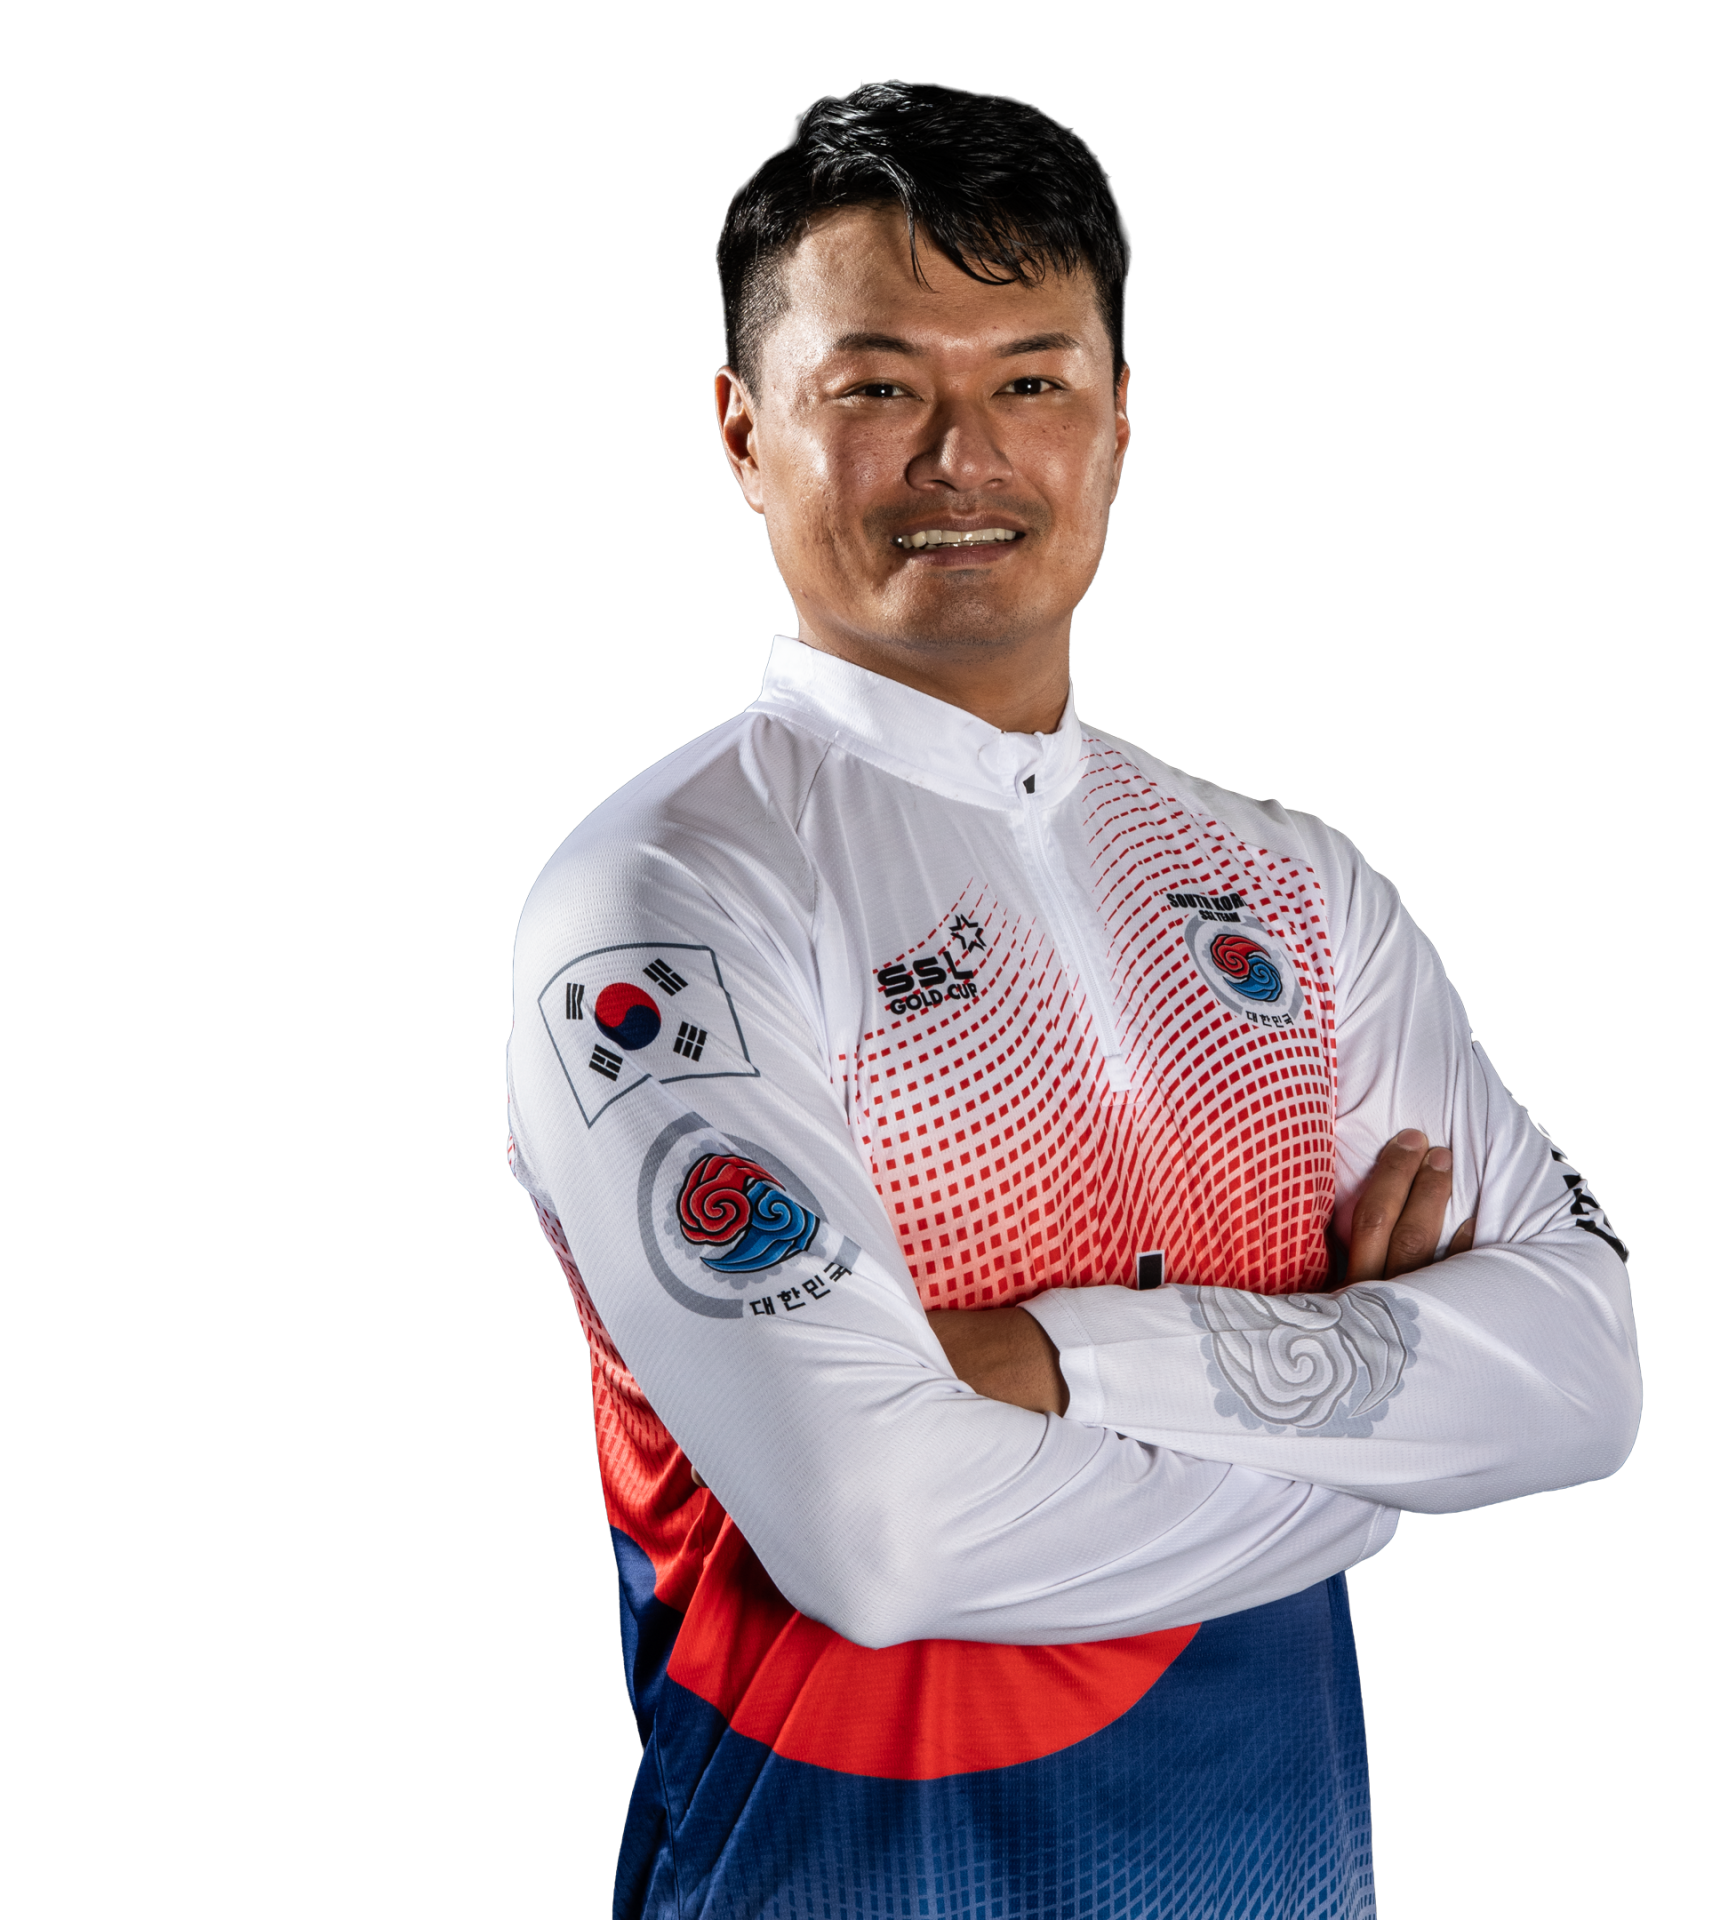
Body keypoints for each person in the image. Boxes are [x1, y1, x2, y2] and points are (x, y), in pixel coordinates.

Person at [505, 80, 1640, 1918]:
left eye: (1031, 379)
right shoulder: (662, 902)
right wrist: (1391, 1461)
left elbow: (1586, 1376)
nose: (965, 456)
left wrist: (1060, 1362)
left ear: (1118, 424)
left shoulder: (1295, 883)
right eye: (879, 388)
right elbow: (879, 1533)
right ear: (744, 432)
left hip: (1279, 1872)